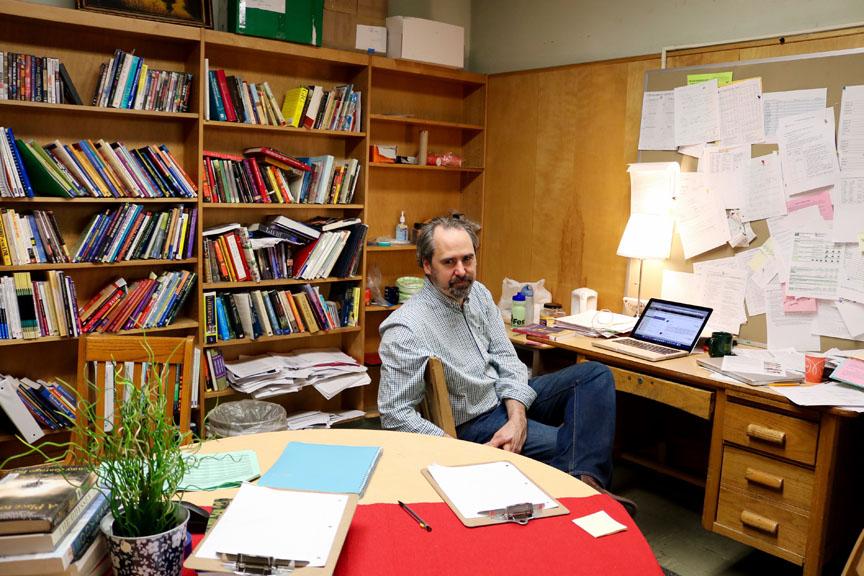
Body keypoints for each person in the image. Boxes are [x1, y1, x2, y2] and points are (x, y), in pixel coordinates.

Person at [377, 215, 636, 516]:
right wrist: (457, 451)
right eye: (449, 263)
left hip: (502, 398)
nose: (462, 271)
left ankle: (582, 481)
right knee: (574, 443)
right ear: (426, 266)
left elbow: (507, 360)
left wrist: (517, 418)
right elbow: (395, 413)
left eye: (467, 259)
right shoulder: (406, 328)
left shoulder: (480, 295)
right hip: (474, 421)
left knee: (595, 374)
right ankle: (584, 487)